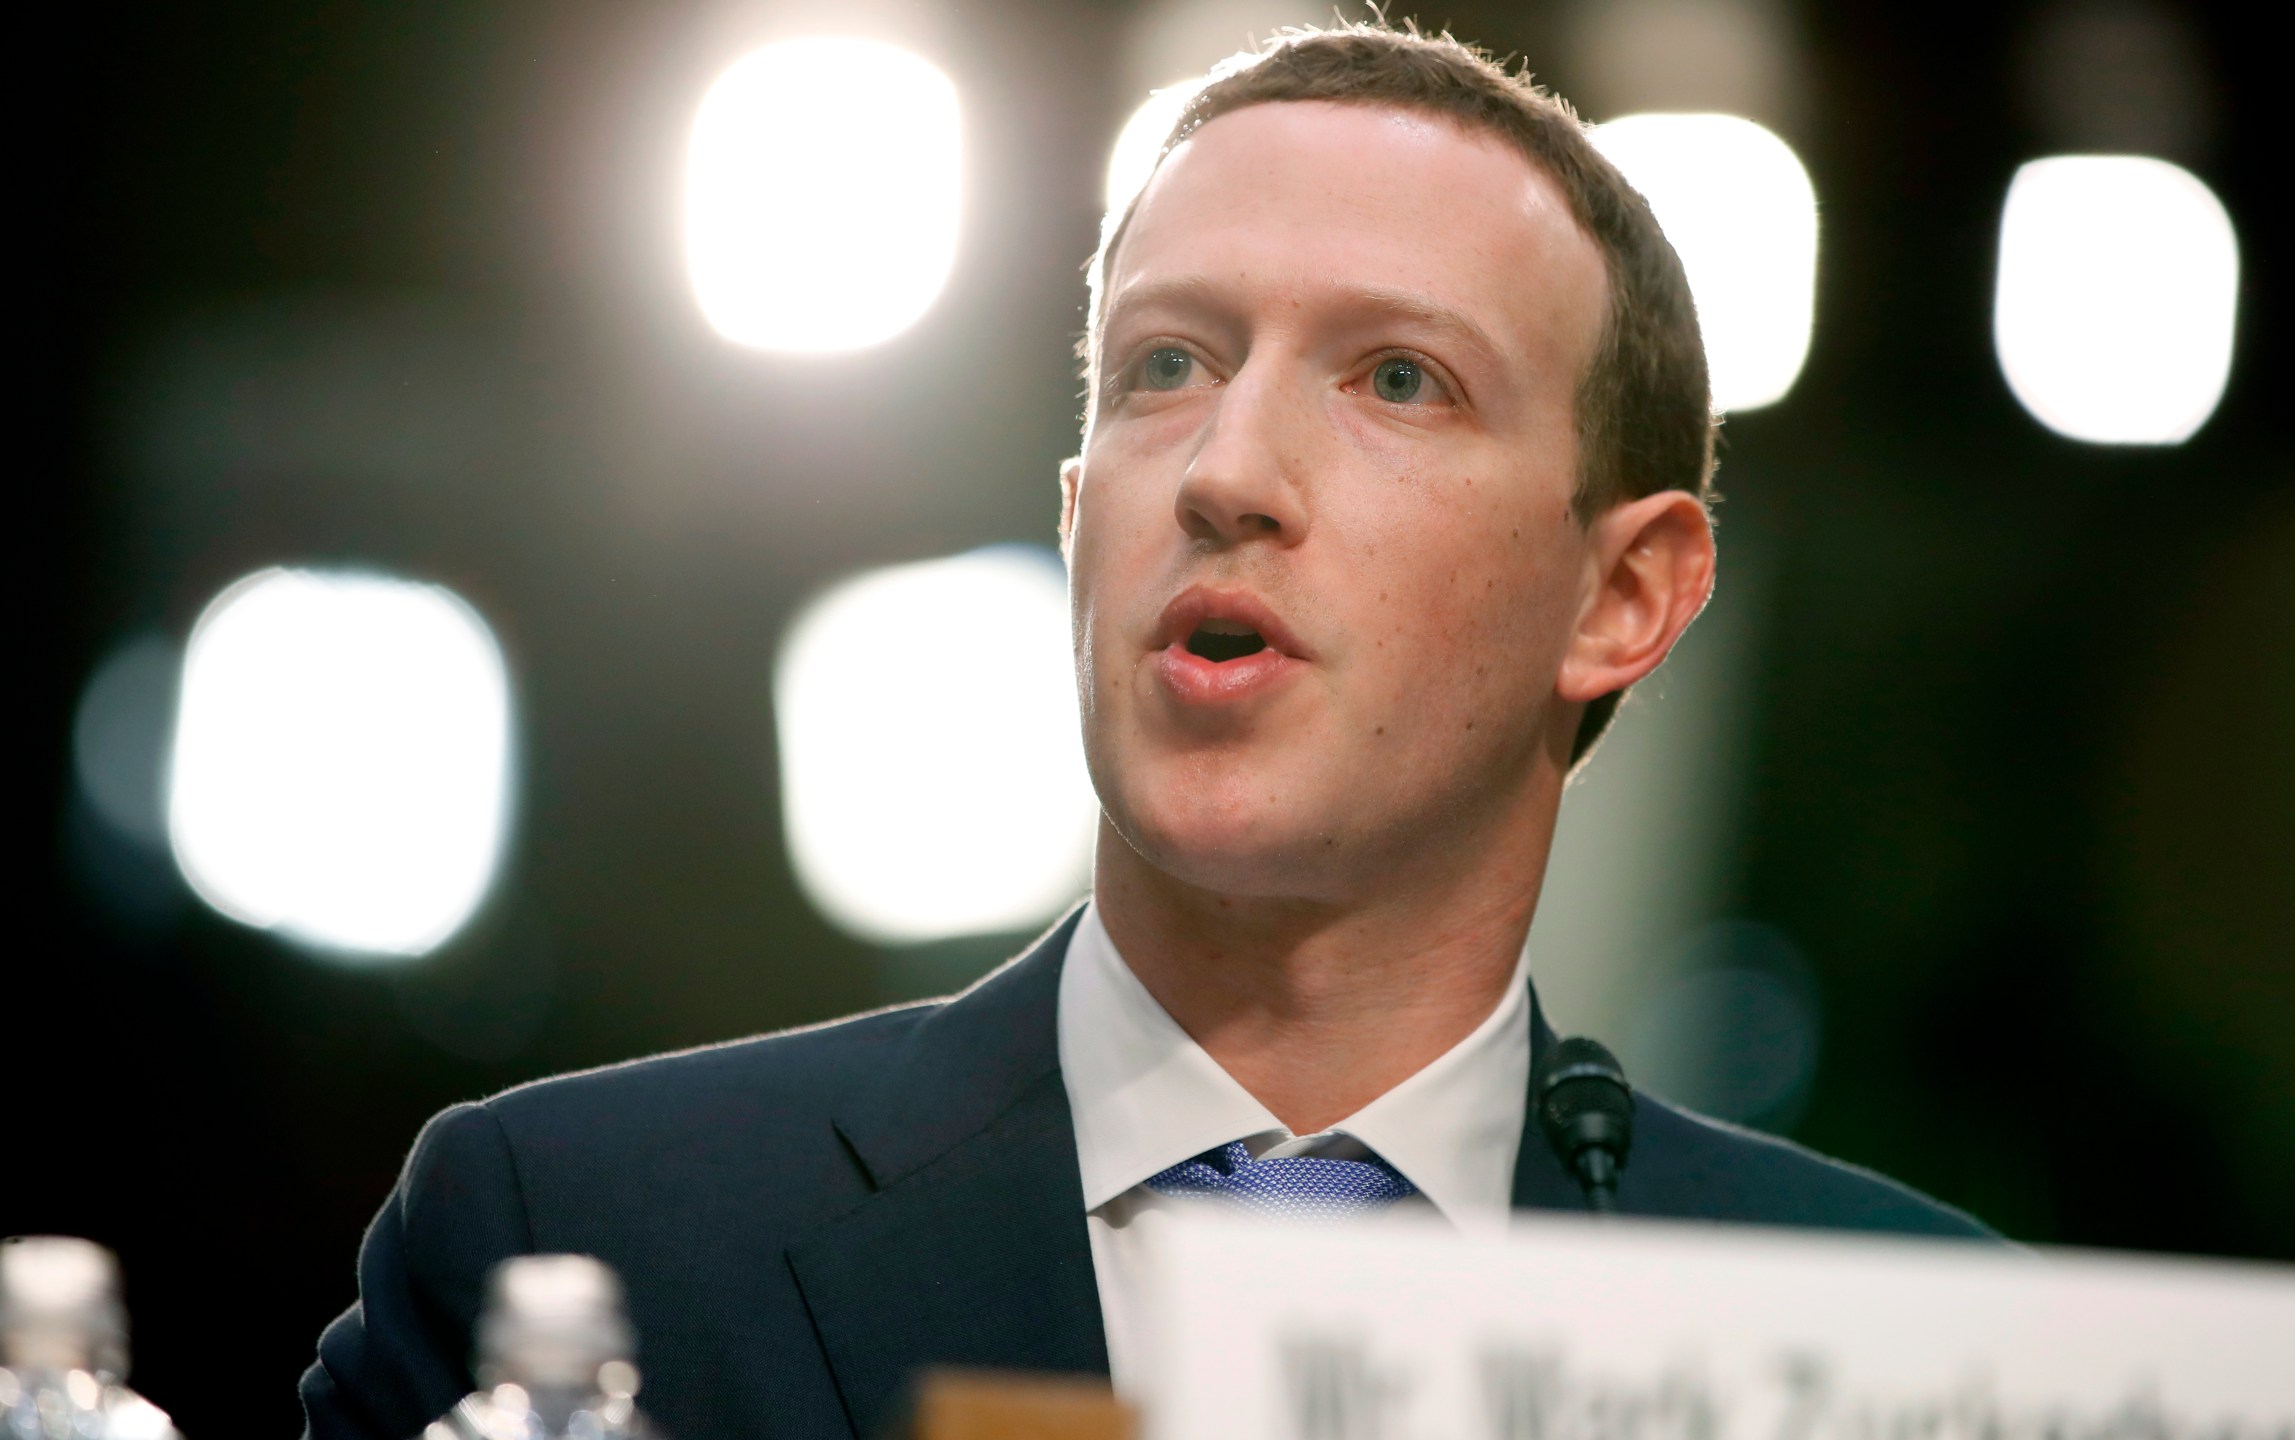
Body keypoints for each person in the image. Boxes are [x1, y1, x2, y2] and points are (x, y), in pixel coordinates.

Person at [300, 25, 1990, 1440]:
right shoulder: (581, 1234)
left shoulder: (1912, 1351)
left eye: (1398, 379)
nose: (1226, 476)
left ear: (1625, 595)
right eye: (1165, 364)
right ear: (1071, 512)